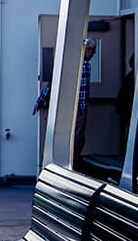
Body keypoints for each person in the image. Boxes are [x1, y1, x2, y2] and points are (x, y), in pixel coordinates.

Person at [33, 38, 96, 167]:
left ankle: (62, 166)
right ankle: (71, 167)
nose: (93, 55)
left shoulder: (67, 62)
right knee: (77, 140)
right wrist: (83, 112)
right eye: (93, 52)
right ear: (88, 50)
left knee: (65, 140)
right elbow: (83, 93)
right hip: (77, 109)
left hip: (64, 108)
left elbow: (52, 83)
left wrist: (40, 101)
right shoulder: (84, 65)